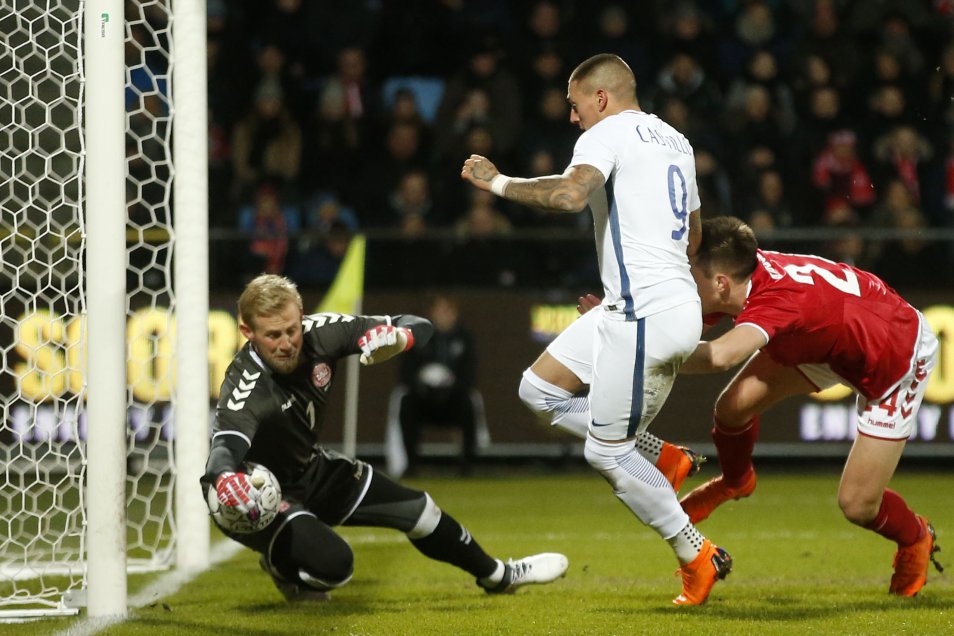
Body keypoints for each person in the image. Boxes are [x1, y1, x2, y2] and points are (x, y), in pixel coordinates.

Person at [461, 53, 731, 606]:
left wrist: (497, 183)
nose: (572, 116)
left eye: (575, 103)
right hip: (645, 306)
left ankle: (695, 553)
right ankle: (664, 456)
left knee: (607, 453)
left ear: (601, 98)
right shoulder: (675, 140)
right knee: (537, 390)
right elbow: (695, 238)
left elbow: (567, 195)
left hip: (645, 314)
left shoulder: (606, 133)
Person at [201, 274, 568, 601]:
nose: (286, 343)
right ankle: (282, 567)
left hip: (309, 468)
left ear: (301, 315)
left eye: (292, 330)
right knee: (336, 566)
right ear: (248, 332)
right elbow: (224, 449)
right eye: (273, 335)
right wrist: (225, 479)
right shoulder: (246, 387)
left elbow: (418, 325)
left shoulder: (321, 332)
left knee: (420, 510)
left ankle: (499, 576)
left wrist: (399, 337)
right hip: (255, 498)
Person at [679, 216, 943, 597]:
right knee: (732, 409)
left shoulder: (775, 300)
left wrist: (641, 352)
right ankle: (737, 481)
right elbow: (676, 323)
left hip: (895, 356)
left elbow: (721, 356)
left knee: (857, 504)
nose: (687, 283)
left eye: (693, 276)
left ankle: (916, 535)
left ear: (720, 283)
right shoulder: (739, 274)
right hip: (830, 338)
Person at [397, 294, 479, 476]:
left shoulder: (464, 338)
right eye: (440, 310)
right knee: (406, 404)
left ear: (455, 314)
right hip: (423, 399)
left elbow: (469, 375)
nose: (444, 315)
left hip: (453, 399)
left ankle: (467, 466)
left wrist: (450, 386)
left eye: (448, 311)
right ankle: (411, 465)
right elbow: (405, 374)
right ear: (431, 313)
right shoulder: (417, 337)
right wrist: (423, 384)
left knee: (468, 405)